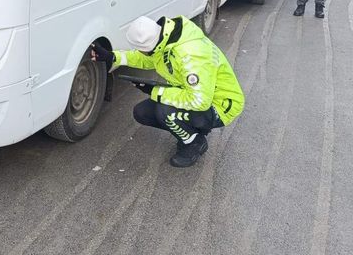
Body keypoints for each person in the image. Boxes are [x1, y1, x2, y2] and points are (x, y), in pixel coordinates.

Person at [91, 15, 244, 167]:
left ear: (147, 46)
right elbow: (148, 59)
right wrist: (113, 57)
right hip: (198, 93)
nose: (138, 51)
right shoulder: (166, 38)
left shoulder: (191, 56)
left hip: (221, 105)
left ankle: (194, 142)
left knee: (165, 111)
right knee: (142, 112)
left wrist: (156, 92)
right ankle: (194, 128)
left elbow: (200, 101)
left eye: (140, 49)